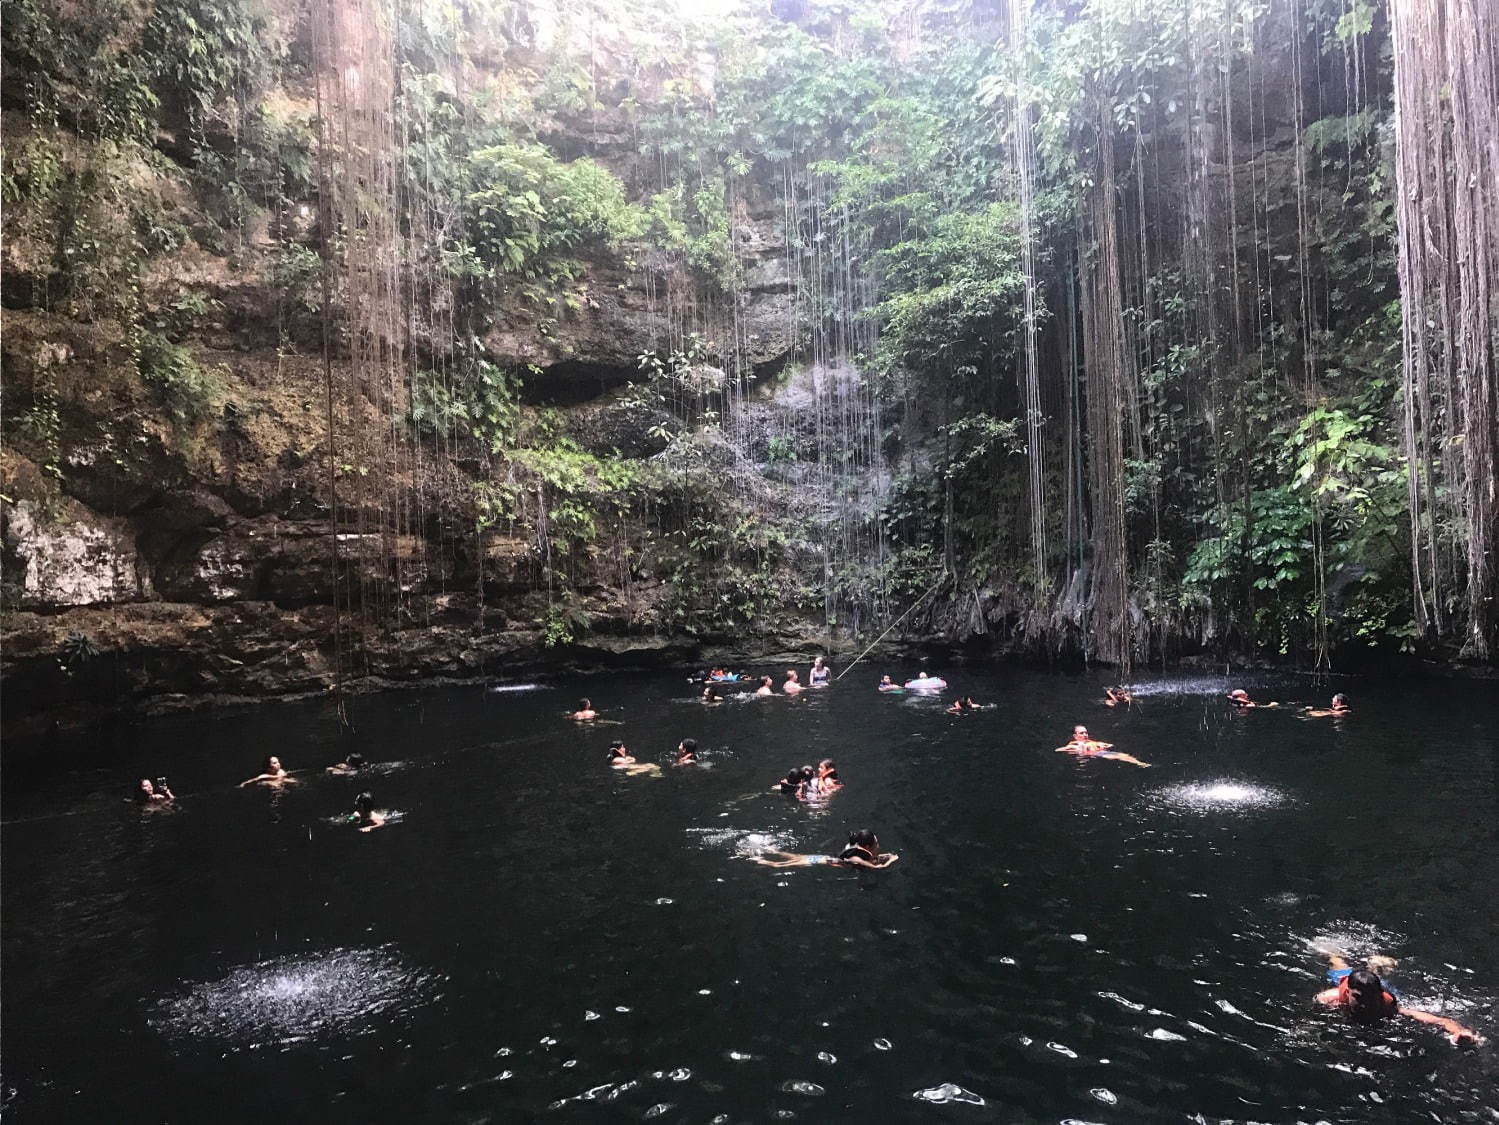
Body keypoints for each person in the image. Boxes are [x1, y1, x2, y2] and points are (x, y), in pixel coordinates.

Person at [1314, 950, 1482, 1045]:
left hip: (1373, 985)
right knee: (1338, 964)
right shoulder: (1330, 998)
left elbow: (1440, 1021)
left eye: (1370, 998)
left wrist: (1459, 1032)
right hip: (1349, 980)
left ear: (1378, 996)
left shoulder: (1389, 1007)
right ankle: (1334, 951)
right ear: (1348, 992)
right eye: (1358, 997)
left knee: (1377, 978)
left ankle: (1375, 966)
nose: (1364, 1003)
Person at [752, 828, 899, 869]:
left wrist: (885, 855)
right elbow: (876, 868)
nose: (878, 845)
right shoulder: (856, 857)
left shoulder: (857, 850)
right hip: (821, 861)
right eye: (876, 843)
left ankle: (771, 851)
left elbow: (872, 859)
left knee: (795, 856)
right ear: (867, 846)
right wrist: (892, 859)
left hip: (824, 858)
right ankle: (764, 861)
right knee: (783, 864)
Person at [1054, 725, 1150, 768]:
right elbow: (1058, 750)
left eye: (1086, 732)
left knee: (1123, 755)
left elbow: (1109, 745)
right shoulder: (1074, 745)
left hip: (1099, 753)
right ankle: (1139, 763)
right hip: (1094, 755)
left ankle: (1139, 763)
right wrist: (1076, 748)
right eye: (1082, 733)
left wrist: (1104, 745)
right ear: (1075, 736)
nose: (1085, 734)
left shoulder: (1092, 742)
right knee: (1120, 756)